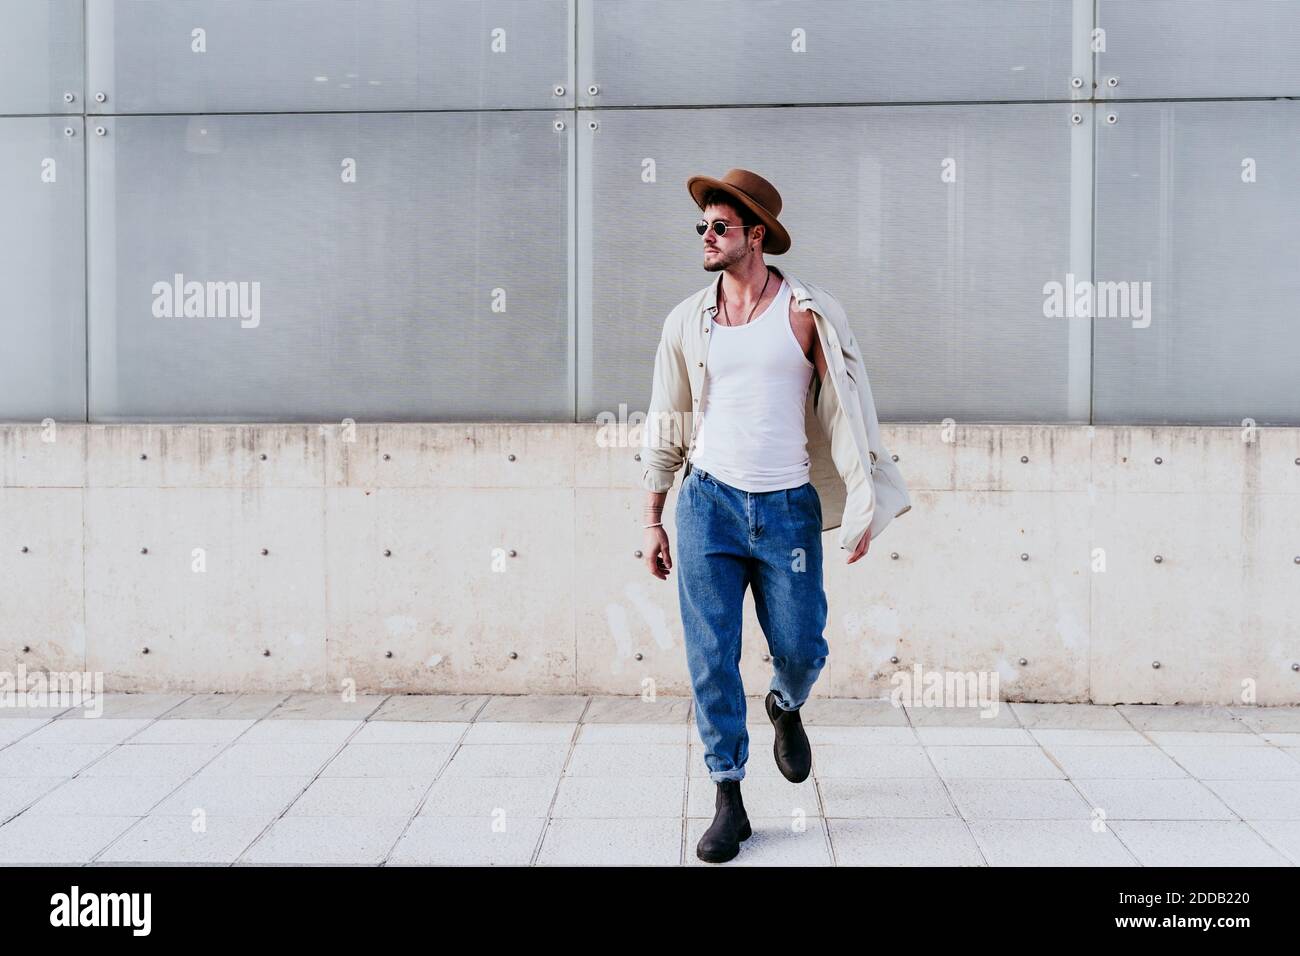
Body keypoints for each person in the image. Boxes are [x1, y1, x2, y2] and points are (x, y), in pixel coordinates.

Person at [638, 168, 884, 863]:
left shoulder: (809, 314)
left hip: (787, 509)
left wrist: (864, 502)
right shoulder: (687, 321)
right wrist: (653, 515)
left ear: (756, 236)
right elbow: (667, 416)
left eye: (719, 227)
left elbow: (847, 416)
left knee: (802, 646)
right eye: (702, 227)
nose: (706, 237)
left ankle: (785, 703)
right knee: (711, 658)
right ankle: (729, 797)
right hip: (707, 505)